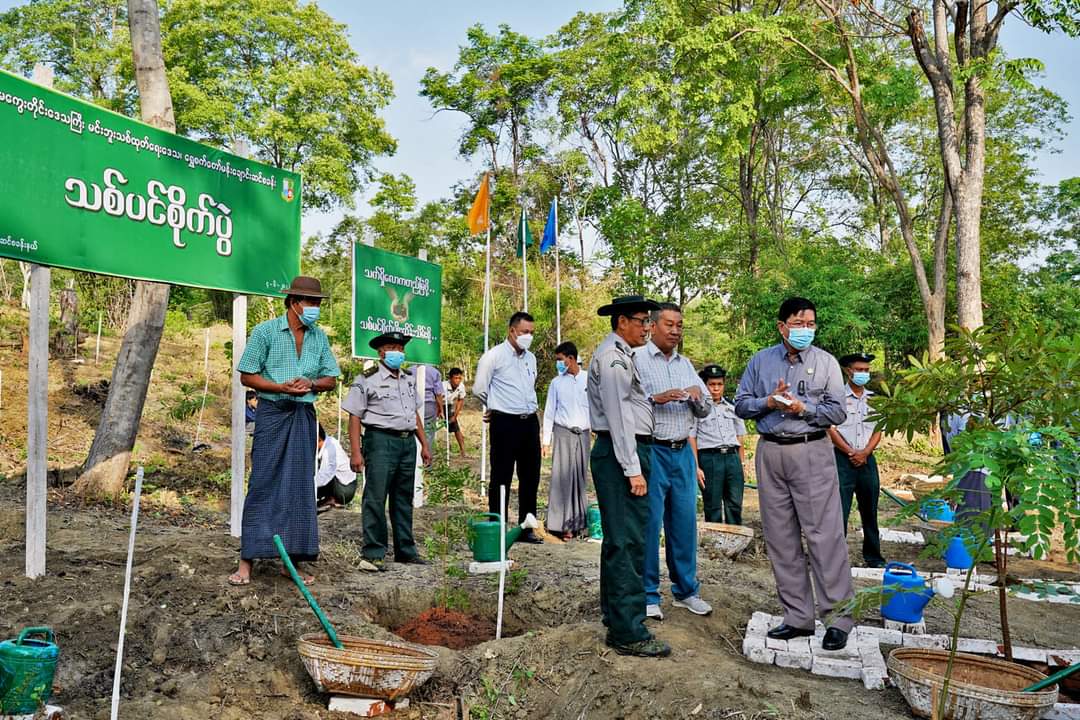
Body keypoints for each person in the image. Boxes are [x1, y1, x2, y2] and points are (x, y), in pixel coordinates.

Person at [734, 296, 854, 651]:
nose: (805, 330)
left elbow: (838, 413)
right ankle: (798, 617)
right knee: (781, 537)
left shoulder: (827, 363)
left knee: (824, 536)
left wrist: (805, 408)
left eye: (810, 324)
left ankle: (838, 619)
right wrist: (767, 403)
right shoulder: (760, 361)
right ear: (781, 326)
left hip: (812, 449)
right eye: (798, 324)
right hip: (770, 452)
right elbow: (740, 404)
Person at [229, 276, 339, 587]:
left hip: (303, 414)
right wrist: (280, 387)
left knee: (301, 486)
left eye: (317, 302)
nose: (314, 308)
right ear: (293, 302)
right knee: (263, 480)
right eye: (309, 302)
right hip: (272, 412)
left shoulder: (319, 338)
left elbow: (331, 378)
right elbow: (247, 376)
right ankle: (246, 561)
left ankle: (293, 561)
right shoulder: (265, 332)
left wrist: (311, 384)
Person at [588, 294, 670, 657]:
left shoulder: (623, 355)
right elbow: (620, 417)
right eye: (642, 320)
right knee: (629, 543)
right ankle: (629, 631)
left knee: (621, 540)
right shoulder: (612, 359)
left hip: (627, 451)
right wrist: (633, 469)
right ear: (622, 321)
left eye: (649, 321)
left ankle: (617, 615)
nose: (647, 327)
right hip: (623, 453)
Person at [633, 303, 713, 620]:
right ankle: (649, 594)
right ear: (652, 326)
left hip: (682, 453)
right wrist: (656, 398)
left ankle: (686, 591)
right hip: (652, 451)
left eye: (680, 325)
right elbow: (625, 403)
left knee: (684, 525)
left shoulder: (686, 365)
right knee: (650, 525)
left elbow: (706, 410)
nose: (676, 330)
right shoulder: (636, 359)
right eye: (669, 324)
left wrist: (697, 395)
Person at [342, 331, 433, 571]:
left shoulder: (408, 378)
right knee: (375, 497)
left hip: (406, 442)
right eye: (394, 347)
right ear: (381, 352)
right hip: (380, 441)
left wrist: (424, 444)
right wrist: (355, 451)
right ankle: (373, 552)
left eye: (401, 348)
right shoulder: (367, 379)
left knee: (403, 498)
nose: (399, 352)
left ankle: (406, 550)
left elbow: (413, 414)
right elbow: (354, 416)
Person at [473, 311, 543, 543]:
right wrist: (492, 405)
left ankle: (526, 527)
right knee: (501, 476)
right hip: (505, 423)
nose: (528, 336)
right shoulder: (493, 356)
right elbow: (479, 388)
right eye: (525, 332)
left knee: (531, 476)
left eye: (532, 332)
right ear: (512, 331)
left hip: (529, 422)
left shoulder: (531, 359)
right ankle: (497, 527)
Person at [827, 353, 886, 568]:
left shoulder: (874, 399)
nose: (863, 374)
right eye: (858, 370)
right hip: (842, 460)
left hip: (867, 460)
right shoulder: (836, 398)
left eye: (866, 370)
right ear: (847, 371)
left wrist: (864, 453)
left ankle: (874, 556)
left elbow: (879, 429)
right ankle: (836, 558)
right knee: (839, 510)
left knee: (869, 509)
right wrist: (850, 452)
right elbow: (830, 429)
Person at [542, 341, 591, 540]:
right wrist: (546, 440)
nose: (559, 364)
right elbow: (549, 412)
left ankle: (578, 523)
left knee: (579, 478)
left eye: (560, 360)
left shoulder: (589, 379)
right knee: (562, 477)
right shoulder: (556, 383)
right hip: (563, 432)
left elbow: (598, 406)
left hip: (584, 434)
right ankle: (560, 525)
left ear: (571, 359)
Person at [690, 365, 748, 525]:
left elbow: (739, 436)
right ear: (705, 385)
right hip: (710, 459)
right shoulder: (698, 409)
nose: (716, 389)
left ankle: (734, 541)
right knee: (713, 505)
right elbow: (692, 438)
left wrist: (741, 462)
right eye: (712, 385)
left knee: (735, 503)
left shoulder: (732, 407)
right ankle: (715, 545)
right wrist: (696, 467)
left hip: (732, 458)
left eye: (719, 384)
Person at [315, 424, 357, 511]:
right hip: (341, 484)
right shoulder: (327, 443)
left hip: (345, 490)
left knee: (321, 475)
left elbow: (324, 477)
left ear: (318, 438)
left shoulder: (329, 450)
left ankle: (332, 499)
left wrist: (305, 487)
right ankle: (328, 499)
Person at [412, 365, 445, 454]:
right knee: (428, 434)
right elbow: (438, 394)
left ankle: (416, 461)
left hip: (412, 404)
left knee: (413, 432)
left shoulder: (409, 370)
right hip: (429, 405)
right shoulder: (434, 372)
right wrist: (441, 409)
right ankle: (426, 462)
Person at [443, 368, 468, 457]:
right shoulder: (443, 386)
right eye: (455, 378)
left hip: (448, 406)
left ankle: (462, 450)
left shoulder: (461, 386)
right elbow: (437, 398)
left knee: (455, 427)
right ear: (450, 378)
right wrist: (440, 412)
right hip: (437, 404)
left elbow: (460, 401)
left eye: (459, 378)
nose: (457, 380)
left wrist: (455, 416)